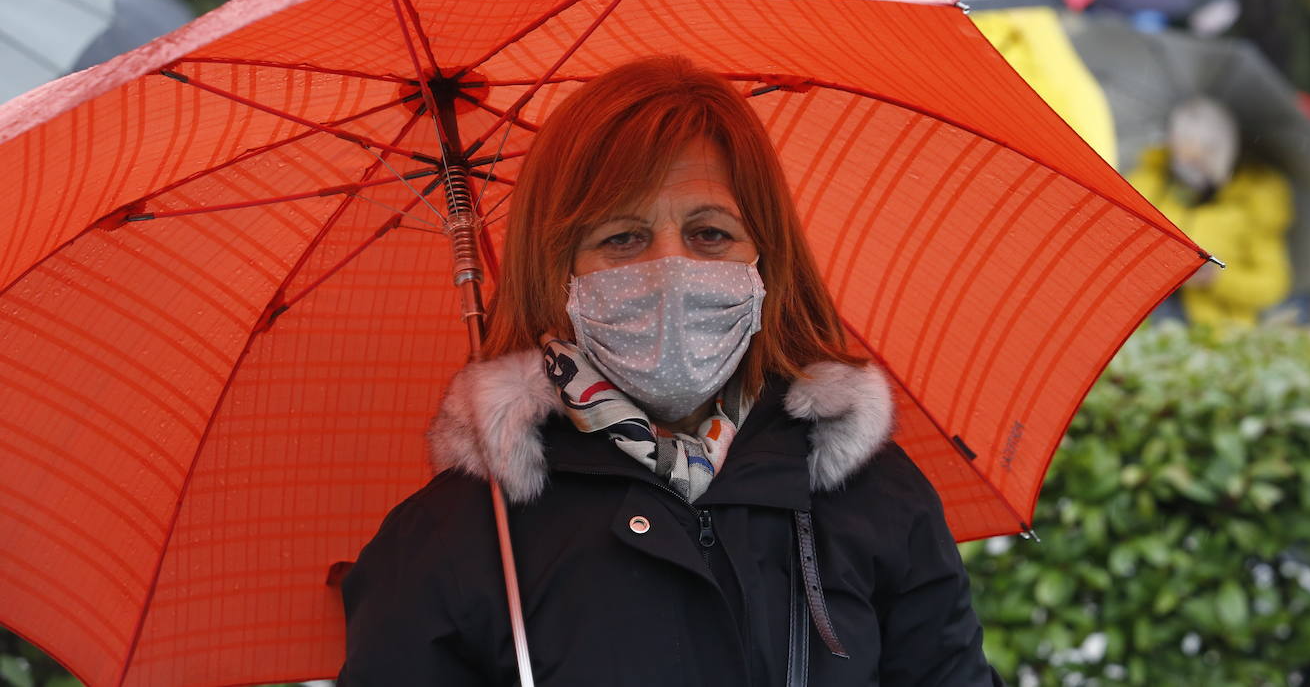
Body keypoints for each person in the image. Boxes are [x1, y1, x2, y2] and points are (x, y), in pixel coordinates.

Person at [337, 56, 1002, 684]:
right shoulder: (455, 540)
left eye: (710, 233)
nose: (669, 269)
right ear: (556, 273)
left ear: (765, 263)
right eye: (620, 238)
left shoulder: (870, 494)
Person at [1129, 96, 1293, 326]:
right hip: (1144, 319)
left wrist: (1216, 278)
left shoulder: (1251, 202)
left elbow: (1272, 284)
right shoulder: (1149, 185)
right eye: (1184, 144)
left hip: (1214, 333)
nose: (1191, 157)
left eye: (1205, 150)